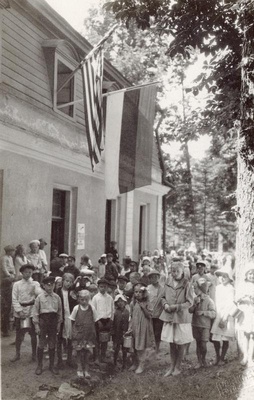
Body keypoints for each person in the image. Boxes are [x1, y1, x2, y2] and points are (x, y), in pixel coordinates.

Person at [160, 261, 194, 377]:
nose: (174, 274)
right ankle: (172, 366)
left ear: (182, 272)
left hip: (181, 318)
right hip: (169, 316)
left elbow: (190, 302)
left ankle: (178, 367)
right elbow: (163, 297)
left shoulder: (187, 284)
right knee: (171, 342)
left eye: (177, 271)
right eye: (172, 271)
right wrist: (165, 305)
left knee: (181, 342)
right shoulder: (168, 282)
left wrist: (176, 307)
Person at [11, 264, 43, 362]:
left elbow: (39, 294)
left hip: (31, 311)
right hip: (20, 311)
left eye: (30, 272)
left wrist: (37, 289)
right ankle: (17, 354)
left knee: (33, 334)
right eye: (26, 272)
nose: (28, 274)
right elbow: (14, 299)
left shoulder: (35, 284)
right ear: (22, 272)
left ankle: (34, 354)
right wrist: (19, 311)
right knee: (19, 334)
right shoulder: (17, 284)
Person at [33, 276, 62, 375]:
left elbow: (59, 312)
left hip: (53, 321)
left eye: (52, 284)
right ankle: (39, 365)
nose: (50, 287)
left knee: (52, 343)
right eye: (48, 285)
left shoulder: (57, 297)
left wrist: (58, 324)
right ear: (44, 286)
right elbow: (36, 312)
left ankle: (51, 365)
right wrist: (36, 325)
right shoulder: (39, 298)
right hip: (43, 321)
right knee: (41, 343)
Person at [69, 290, 98, 378]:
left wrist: (93, 333)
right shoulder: (76, 308)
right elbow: (72, 320)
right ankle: (80, 369)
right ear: (79, 299)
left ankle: (86, 370)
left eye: (86, 299)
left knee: (87, 352)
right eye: (82, 299)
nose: (84, 302)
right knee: (79, 352)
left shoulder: (92, 308)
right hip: (79, 334)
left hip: (88, 334)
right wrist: (73, 333)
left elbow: (95, 320)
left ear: (89, 299)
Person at [210, 265, 235, 365]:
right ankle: (217, 356)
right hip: (218, 314)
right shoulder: (218, 288)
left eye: (225, 276)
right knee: (216, 337)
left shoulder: (231, 289)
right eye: (220, 276)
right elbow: (216, 302)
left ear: (229, 278)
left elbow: (230, 304)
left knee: (225, 338)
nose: (222, 278)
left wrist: (224, 318)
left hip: (227, 315)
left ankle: (222, 357)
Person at [189, 278, 216, 368]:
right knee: (197, 343)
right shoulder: (195, 299)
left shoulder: (209, 300)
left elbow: (214, 313)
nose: (194, 290)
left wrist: (204, 312)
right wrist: (195, 304)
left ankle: (203, 359)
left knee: (203, 345)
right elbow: (190, 310)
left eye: (196, 288)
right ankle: (199, 361)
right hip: (196, 324)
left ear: (201, 289)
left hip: (205, 326)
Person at [129, 283, 155, 374]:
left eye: (140, 292)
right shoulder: (133, 303)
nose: (138, 294)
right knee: (134, 346)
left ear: (144, 293)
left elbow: (149, 315)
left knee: (141, 346)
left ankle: (141, 364)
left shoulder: (147, 303)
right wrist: (130, 327)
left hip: (143, 327)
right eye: (136, 292)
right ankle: (135, 362)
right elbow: (131, 316)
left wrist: (143, 307)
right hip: (135, 326)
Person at [56, 273, 77, 369]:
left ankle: (69, 359)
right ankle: (59, 360)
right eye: (67, 281)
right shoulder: (57, 292)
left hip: (70, 317)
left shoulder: (72, 293)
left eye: (70, 282)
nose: (68, 283)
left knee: (70, 338)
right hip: (60, 318)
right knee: (59, 338)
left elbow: (75, 305)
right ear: (63, 281)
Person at [91, 278, 114, 362]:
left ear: (107, 287)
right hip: (98, 321)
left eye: (105, 287)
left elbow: (112, 310)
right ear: (98, 287)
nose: (103, 288)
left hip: (107, 321)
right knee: (97, 340)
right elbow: (93, 310)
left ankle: (103, 355)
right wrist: (97, 321)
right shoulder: (95, 298)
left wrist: (111, 320)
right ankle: (96, 357)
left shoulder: (110, 298)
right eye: (101, 287)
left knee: (105, 339)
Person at [236, 261, 254, 366]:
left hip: (252, 311)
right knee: (244, 335)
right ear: (246, 275)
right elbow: (237, 298)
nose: (252, 275)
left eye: (253, 273)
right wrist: (243, 297)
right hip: (244, 312)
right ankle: (245, 355)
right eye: (250, 273)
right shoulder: (242, 285)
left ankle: (250, 358)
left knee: (252, 335)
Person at [147, 270, 164, 353]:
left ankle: (157, 348)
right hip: (149, 313)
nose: (154, 279)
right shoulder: (148, 288)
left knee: (158, 332)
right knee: (150, 331)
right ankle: (151, 347)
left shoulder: (162, 289)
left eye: (156, 277)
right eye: (152, 277)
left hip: (159, 314)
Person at [1, 245, 16, 336]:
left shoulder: (10, 258)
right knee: (5, 306)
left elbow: (12, 268)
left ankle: (6, 328)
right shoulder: (4, 258)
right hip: (6, 279)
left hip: (10, 278)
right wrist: (9, 276)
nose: (13, 253)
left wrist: (13, 274)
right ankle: (4, 328)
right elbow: (4, 268)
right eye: (12, 251)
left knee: (9, 306)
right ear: (9, 251)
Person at [112, 294, 129, 370]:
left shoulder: (127, 312)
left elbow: (129, 322)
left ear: (125, 302)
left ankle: (124, 364)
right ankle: (114, 362)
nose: (120, 303)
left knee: (124, 349)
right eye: (118, 302)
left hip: (125, 333)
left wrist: (128, 331)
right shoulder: (115, 312)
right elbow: (112, 323)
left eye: (121, 301)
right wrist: (112, 333)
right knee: (116, 348)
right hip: (117, 333)